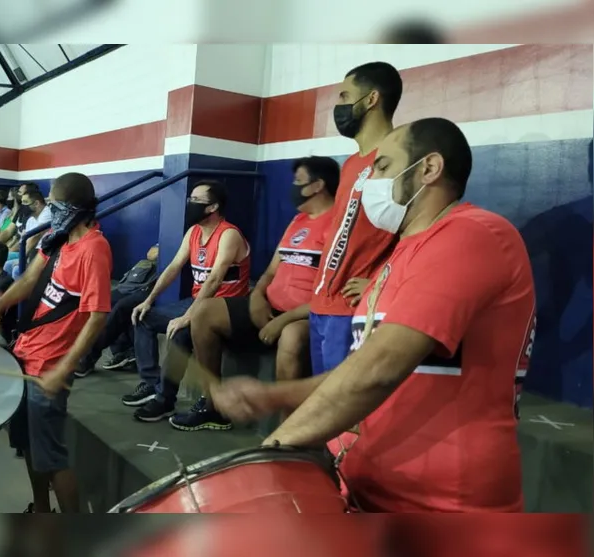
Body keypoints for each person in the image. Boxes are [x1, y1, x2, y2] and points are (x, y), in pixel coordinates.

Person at [212, 118, 537, 513]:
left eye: (382, 167)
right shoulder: (400, 256)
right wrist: (274, 395)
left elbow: (380, 368)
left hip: (440, 505)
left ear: (428, 169)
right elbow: (366, 363)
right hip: (368, 489)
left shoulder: (473, 234)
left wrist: (273, 450)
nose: (368, 182)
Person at [0, 172, 112, 514]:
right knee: (28, 446)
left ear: (74, 208)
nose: (49, 211)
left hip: (50, 367)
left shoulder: (94, 249)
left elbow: (97, 315)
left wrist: (65, 369)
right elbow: (28, 279)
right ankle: (41, 510)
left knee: (52, 457)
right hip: (25, 353)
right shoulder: (57, 240)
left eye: (55, 205)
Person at [185, 156, 338, 430]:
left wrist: (284, 319)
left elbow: (330, 292)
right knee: (204, 312)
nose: (292, 187)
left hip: (304, 315)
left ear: (317, 186)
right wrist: (257, 297)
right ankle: (213, 405)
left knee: (291, 337)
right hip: (268, 306)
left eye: (298, 182)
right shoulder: (297, 222)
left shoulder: (338, 226)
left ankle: (286, 428)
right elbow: (269, 273)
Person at [123, 181, 251, 425]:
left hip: (223, 307)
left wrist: (188, 316)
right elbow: (173, 267)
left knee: (181, 331)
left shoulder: (229, 234)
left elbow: (214, 280)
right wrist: (149, 300)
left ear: (213, 206)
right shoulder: (193, 232)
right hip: (197, 301)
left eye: (196, 199)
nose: (189, 203)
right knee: (141, 316)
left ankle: (164, 400)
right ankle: (152, 384)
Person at [307, 62, 403, 377]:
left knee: (344, 411)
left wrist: (379, 283)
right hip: (321, 305)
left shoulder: (398, 160)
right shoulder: (350, 164)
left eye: (345, 95)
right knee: (324, 403)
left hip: (352, 310)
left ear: (371, 99)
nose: (338, 105)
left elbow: (416, 235)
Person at [75, 244, 160, 378]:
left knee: (122, 307)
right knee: (105, 302)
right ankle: (123, 350)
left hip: (157, 289)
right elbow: (151, 254)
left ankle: (88, 357)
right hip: (141, 283)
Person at [4, 186, 51, 280]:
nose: (23, 206)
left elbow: (34, 238)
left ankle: (23, 294)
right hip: (32, 252)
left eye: (25, 202)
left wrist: (22, 259)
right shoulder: (31, 218)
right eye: (22, 202)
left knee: (17, 269)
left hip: (45, 253)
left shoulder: (47, 212)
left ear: (36, 203)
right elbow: (26, 240)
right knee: (6, 262)